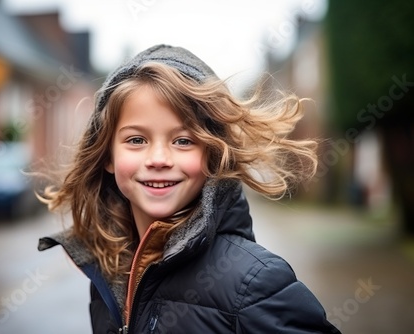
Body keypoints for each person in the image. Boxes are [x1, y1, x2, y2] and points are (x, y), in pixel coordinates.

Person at [38, 44, 340, 333]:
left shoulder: (256, 283)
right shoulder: (109, 272)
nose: (158, 159)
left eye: (183, 141)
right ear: (108, 157)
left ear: (212, 154)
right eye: (136, 140)